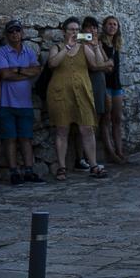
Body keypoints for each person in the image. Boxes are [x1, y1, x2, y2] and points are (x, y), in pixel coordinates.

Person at [45, 21, 109, 180]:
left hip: (82, 93)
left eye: (77, 30)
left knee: (87, 129)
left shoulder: (84, 47)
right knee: (62, 130)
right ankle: (61, 167)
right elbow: (52, 63)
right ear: (64, 32)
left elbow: (98, 64)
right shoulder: (57, 47)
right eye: (71, 29)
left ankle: (94, 165)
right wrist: (67, 47)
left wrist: (95, 46)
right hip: (61, 94)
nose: (74, 32)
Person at [0, 21, 42, 184]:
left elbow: (37, 70)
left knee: (26, 138)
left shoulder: (29, 51)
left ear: (22, 33)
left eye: (17, 31)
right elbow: (4, 74)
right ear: (7, 35)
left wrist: (18, 70)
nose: (15, 34)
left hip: (25, 103)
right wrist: (26, 73)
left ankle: (29, 170)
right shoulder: (2, 52)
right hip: (7, 103)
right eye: (11, 31)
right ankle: (14, 171)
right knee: (10, 139)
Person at [98, 15, 128, 164]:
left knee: (117, 119)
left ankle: (120, 151)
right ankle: (111, 153)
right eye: (109, 24)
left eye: (115, 25)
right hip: (105, 85)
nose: (112, 27)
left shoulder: (116, 45)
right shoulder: (100, 43)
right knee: (106, 119)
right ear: (104, 26)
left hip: (116, 85)